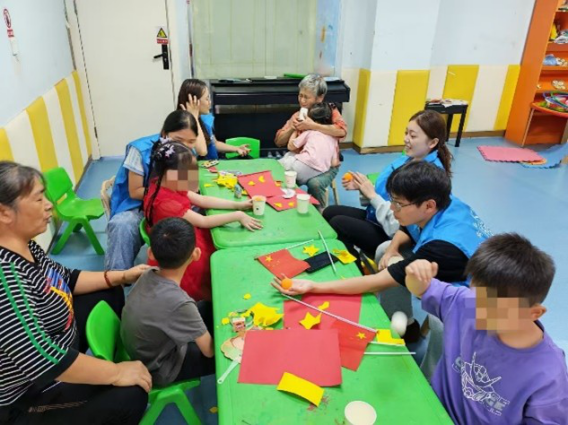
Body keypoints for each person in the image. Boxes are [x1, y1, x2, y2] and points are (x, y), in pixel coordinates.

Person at [0, 161, 151, 424]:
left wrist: (121, 275)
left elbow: (65, 278)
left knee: (110, 290)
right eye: (39, 199)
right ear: (4, 213)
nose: (49, 205)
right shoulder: (7, 280)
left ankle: (93, 365)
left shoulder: (25, 246)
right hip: (27, 395)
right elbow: (43, 360)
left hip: (56, 345)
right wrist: (116, 373)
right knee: (131, 395)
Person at [272, 162, 491, 342]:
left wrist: (314, 287)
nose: (392, 209)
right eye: (392, 201)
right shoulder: (444, 202)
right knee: (386, 249)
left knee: (440, 326)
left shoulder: (442, 247)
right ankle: (407, 324)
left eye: (398, 205)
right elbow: (409, 228)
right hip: (456, 265)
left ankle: (428, 373)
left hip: (480, 305)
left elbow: (378, 281)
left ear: (428, 206)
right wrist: (393, 247)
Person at [404, 234, 568, 424]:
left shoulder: (548, 376)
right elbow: (421, 288)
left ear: (534, 313)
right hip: (431, 409)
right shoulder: (467, 304)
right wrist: (415, 275)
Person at [323, 110, 452, 265]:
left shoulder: (427, 177)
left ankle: (354, 269)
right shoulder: (408, 158)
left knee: (338, 223)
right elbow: (387, 192)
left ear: (432, 143)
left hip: (393, 231)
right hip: (379, 216)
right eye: (406, 133)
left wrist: (372, 195)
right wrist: (363, 187)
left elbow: (401, 223)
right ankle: (349, 258)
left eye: (413, 136)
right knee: (330, 212)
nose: (406, 139)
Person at [143, 142, 262, 301]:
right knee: (221, 265)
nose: (192, 177)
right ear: (171, 173)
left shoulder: (167, 182)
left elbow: (202, 200)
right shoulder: (166, 203)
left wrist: (238, 205)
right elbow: (203, 221)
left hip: (186, 234)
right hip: (181, 252)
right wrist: (237, 215)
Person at [105, 110, 204, 274]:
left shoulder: (187, 151)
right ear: (164, 134)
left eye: (191, 141)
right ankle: (117, 278)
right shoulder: (139, 150)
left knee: (202, 213)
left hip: (171, 202)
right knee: (122, 225)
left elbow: (190, 187)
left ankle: (191, 272)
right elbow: (135, 191)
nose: (185, 146)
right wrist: (167, 196)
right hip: (138, 205)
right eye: (178, 140)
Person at [121, 218, 215, 386]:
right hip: (160, 368)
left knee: (208, 307)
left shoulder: (148, 273)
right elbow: (209, 351)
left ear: (150, 253)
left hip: (144, 350)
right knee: (227, 356)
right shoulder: (180, 303)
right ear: (196, 254)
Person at [274, 74, 348, 207]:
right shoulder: (297, 115)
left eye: (306, 97)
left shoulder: (329, 111)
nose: (302, 101)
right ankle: (287, 207)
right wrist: (292, 128)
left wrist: (313, 126)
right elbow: (279, 141)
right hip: (301, 160)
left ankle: (320, 213)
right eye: (300, 95)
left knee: (314, 184)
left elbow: (342, 131)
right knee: (284, 177)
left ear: (320, 97)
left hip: (327, 165)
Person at [177, 78, 251, 159]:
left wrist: (236, 148)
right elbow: (202, 151)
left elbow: (214, 143)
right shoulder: (183, 126)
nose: (210, 102)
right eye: (207, 98)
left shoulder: (203, 120)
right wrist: (193, 117)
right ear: (194, 102)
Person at [279, 102, 339, 185]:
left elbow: (290, 146)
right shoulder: (333, 138)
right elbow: (334, 163)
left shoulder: (310, 132)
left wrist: (296, 129)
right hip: (318, 172)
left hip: (300, 168)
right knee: (290, 156)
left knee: (281, 163)